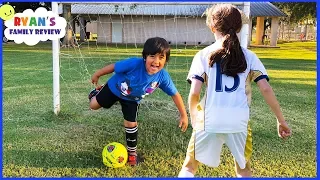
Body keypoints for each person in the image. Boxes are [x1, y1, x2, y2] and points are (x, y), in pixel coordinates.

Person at [178, 4, 292, 177]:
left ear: (212, 26)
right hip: (239, 123)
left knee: (189, 168)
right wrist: (280, 120)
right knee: (244, 170)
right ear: (240, 27)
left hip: (208, 121)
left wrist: (195, 119)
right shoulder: (250, 56)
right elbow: (266, 89)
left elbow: (194, 93)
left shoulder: (202, 55)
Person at [89, 37, 188, 166]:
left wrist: (183, 115)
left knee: (131, 124)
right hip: (113, 88)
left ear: (166, 60)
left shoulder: (163, 77)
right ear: (144, 57)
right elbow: (114, 67)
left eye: (161, 57)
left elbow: (175, 94)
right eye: (152, 56)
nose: (156, 61)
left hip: (132, 100)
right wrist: (98, 74)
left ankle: (132, 154)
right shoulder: (134, 64)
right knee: (93, 106)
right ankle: (96, 92)